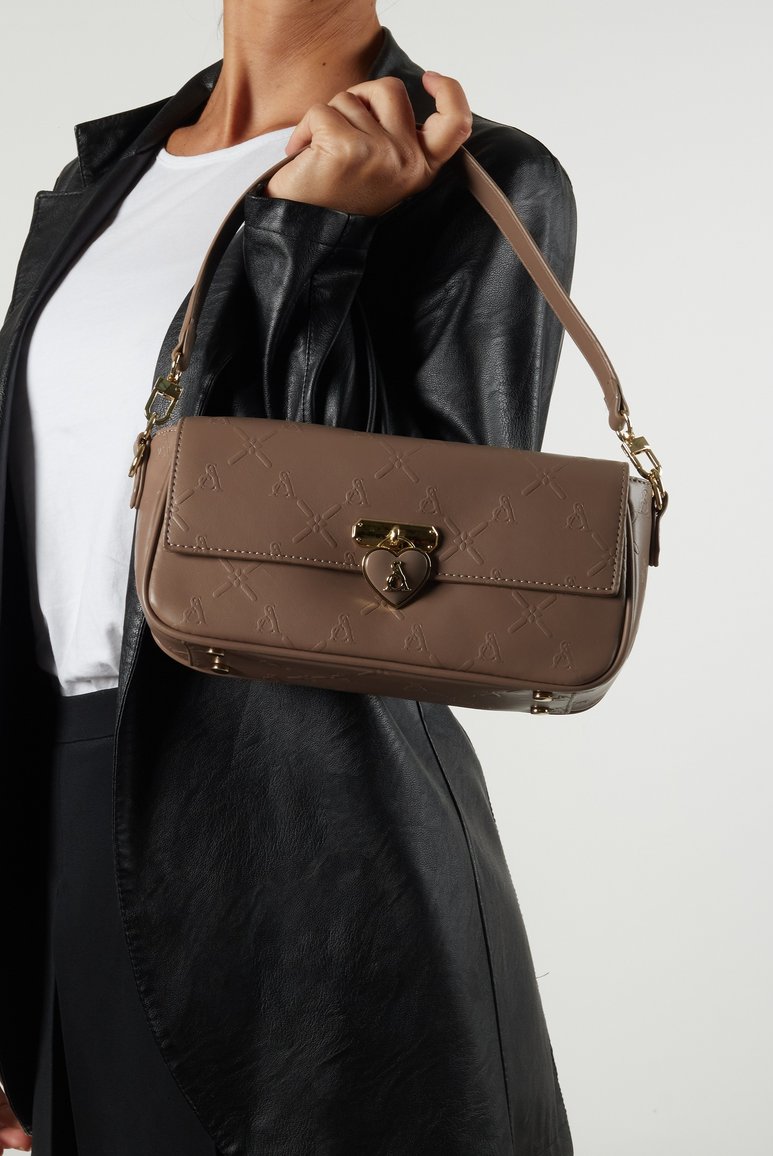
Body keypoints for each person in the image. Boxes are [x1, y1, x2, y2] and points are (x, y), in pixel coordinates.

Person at [0, 1, 578, 1152]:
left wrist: (315, 243)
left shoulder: (473, 176)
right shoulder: (108, 175)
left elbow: (424, 586)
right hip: (60, 829)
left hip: (311, 843)